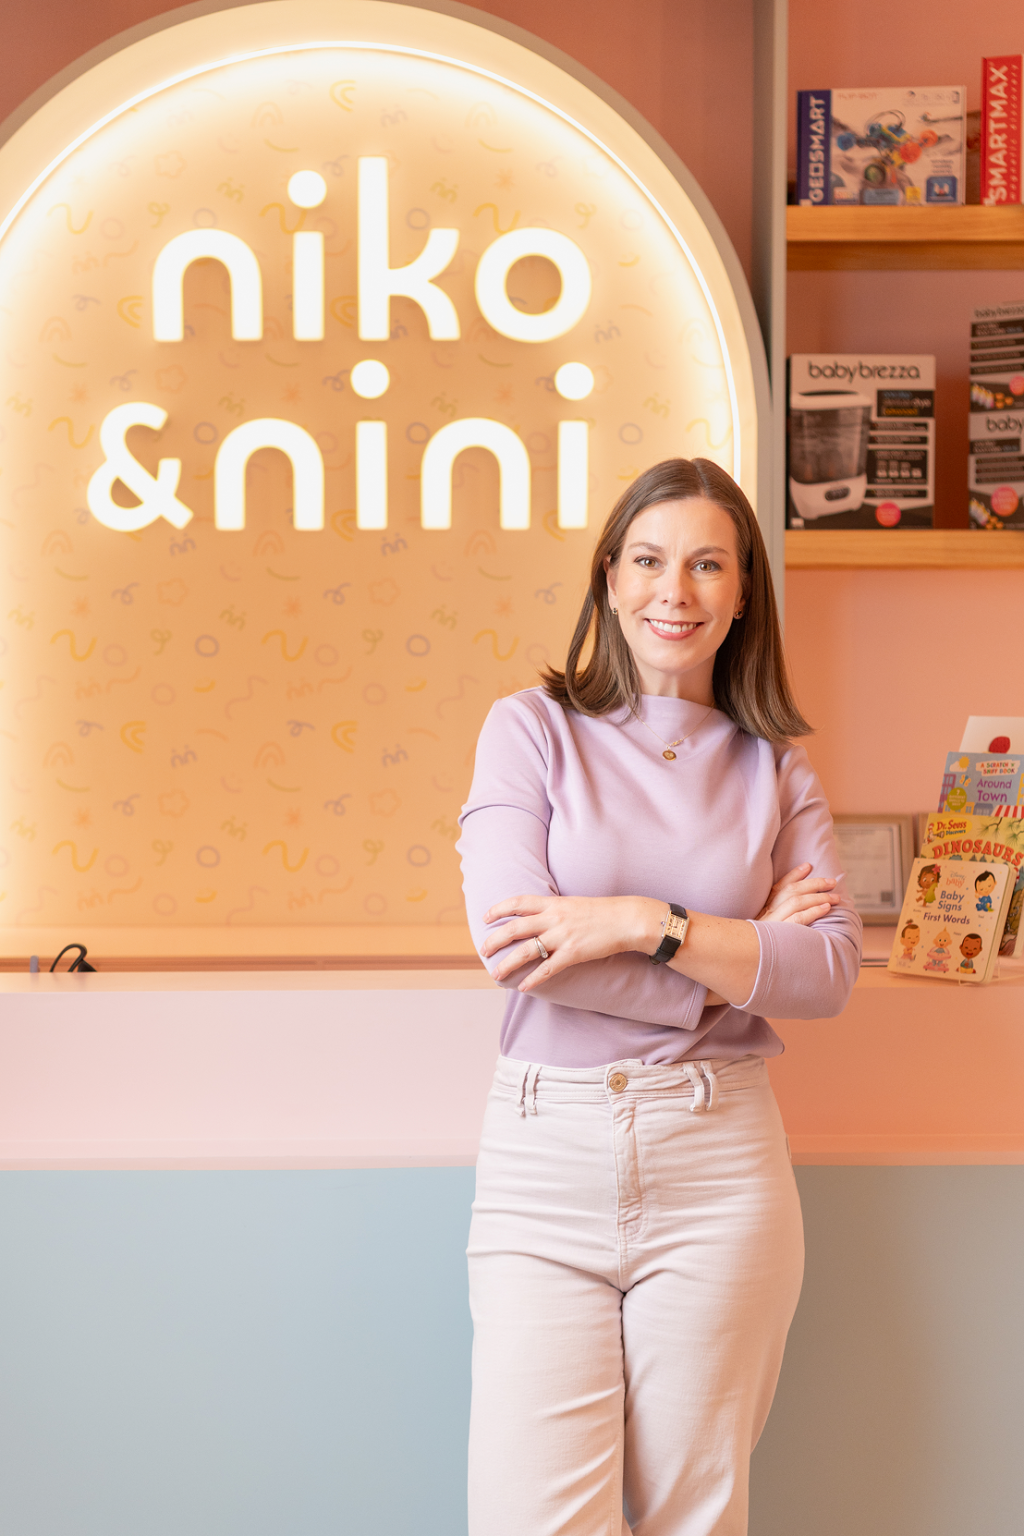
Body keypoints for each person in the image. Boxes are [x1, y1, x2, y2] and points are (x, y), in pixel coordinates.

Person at [456, 457, 861, 1536]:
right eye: (648, 559)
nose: (673, 590)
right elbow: (516, 946)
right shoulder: (529, 730)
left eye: (706, 565)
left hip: (719, 1167)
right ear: (609, 577)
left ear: (742, 593)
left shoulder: (775, 769)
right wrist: (741, 956)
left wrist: (645, 923)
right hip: (544, 1166)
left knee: (695, 1517)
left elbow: (827, 972)